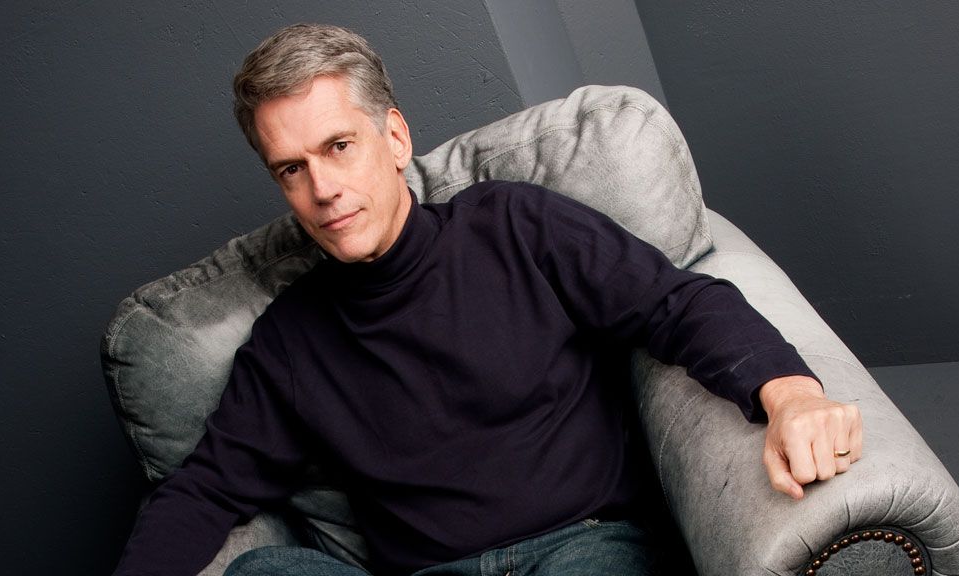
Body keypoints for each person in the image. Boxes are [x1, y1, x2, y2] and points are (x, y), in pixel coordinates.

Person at [113, 23, 863, 576]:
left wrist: (790, 394)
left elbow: (675, 304)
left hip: (583, 549)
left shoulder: (514, 226)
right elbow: (203, 490)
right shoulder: (291, 339)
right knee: (260, 572)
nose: (323, 190)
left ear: (394, 138)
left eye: (338, 146)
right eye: (291, 169)